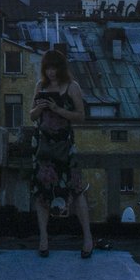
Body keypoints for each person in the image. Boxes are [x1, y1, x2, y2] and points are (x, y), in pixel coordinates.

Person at [29, 49, 93, 258]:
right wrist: (40, 108)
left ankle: (87, 239)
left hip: (65, 146)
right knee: (41, 193)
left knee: (76, 191)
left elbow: (81, 116)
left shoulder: (72, 87)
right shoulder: (41, 86)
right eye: (47, 68)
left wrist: (56, 109)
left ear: (61, 68)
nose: (51, 72)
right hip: (44, 146)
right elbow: (31, 115)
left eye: (54, 68)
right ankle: (43, 239)